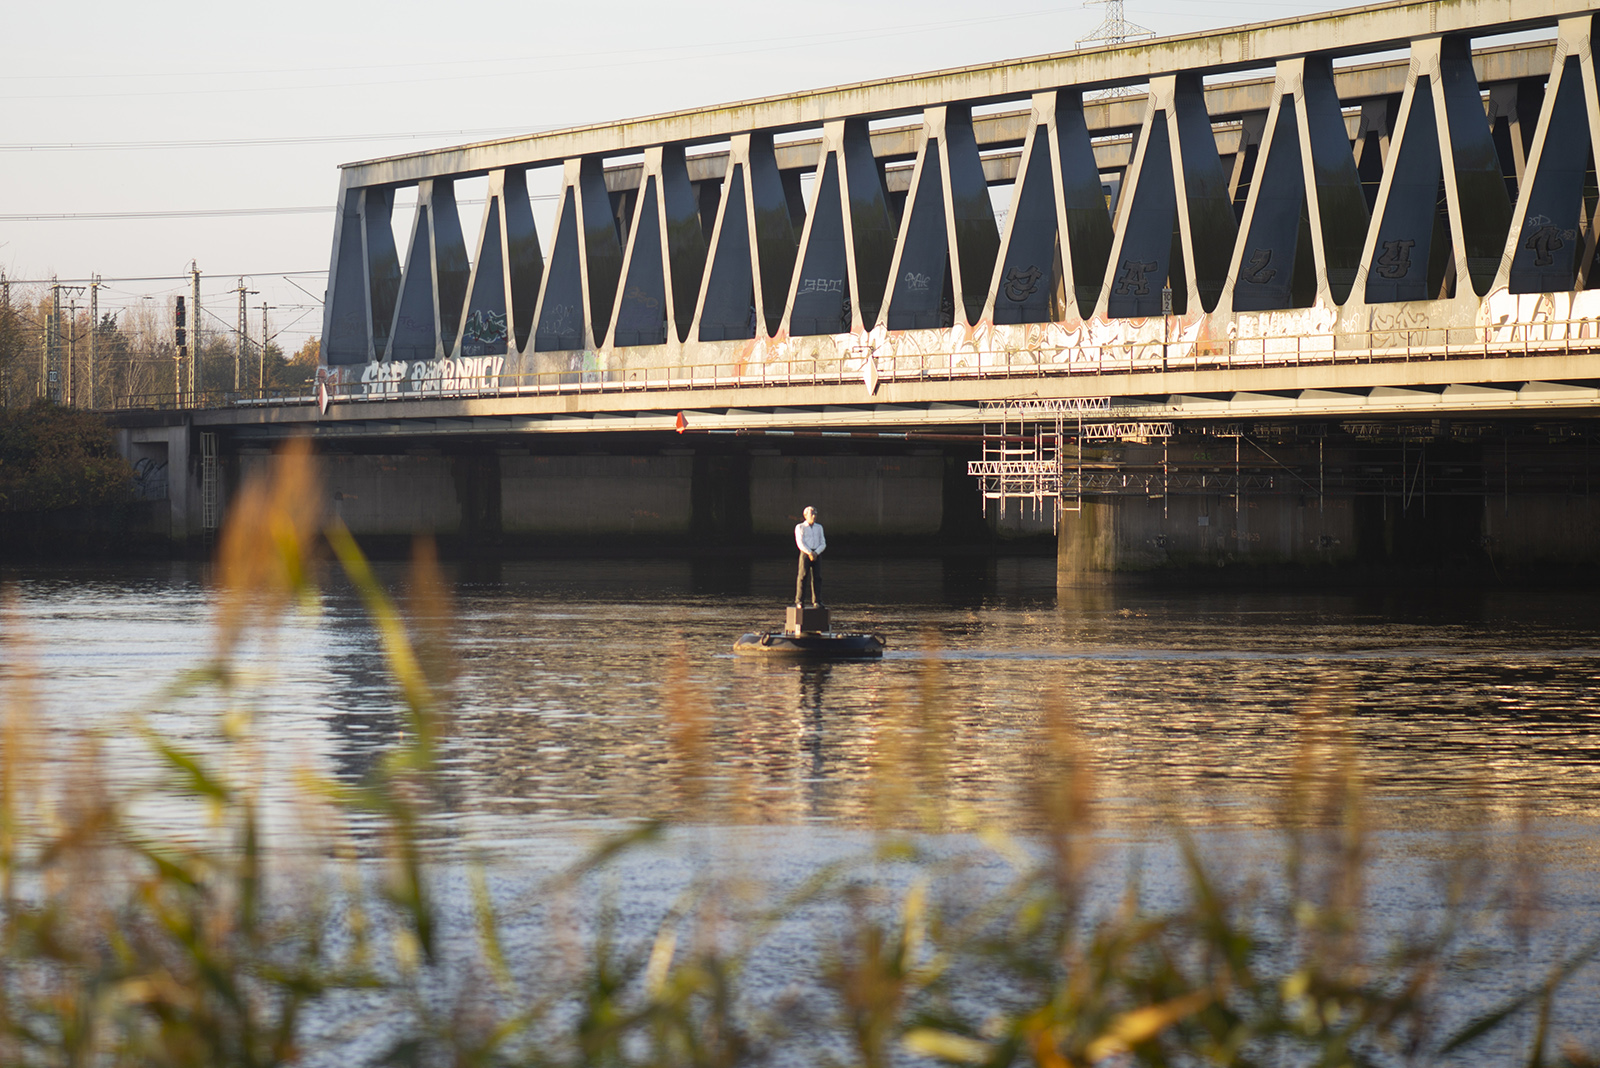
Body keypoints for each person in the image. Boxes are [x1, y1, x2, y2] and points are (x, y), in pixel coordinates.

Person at [794, 505, 826, 607]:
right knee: (802, 576)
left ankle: (817, 601)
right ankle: (799, 601)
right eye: (812, 513)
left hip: (817, 553)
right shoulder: (800, 527)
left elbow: (823, 543)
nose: (814, 516)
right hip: (805, 553)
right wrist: (809, 552)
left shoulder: (819, 527)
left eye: (815, 513)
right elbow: (800, 542)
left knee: (817, 577)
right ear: (805, 515)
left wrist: (816, 552)